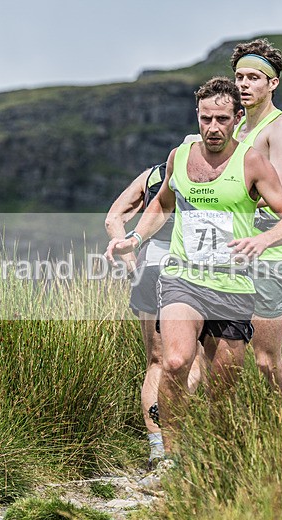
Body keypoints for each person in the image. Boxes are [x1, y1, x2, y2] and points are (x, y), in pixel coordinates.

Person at [105, 76, 282, 454]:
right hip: (184, 279)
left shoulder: (252, 162)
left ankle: (211, 452)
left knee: (222, 386)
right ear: (197, 116)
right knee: (175, 360)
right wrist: (133, 238)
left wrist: (261, 240)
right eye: (205, 119)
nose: (213, 128)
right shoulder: (180, 156)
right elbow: (162, 205)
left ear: (237, 118)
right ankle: (171, 456)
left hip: (231, 287)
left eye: (222, 120)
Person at [104, 155, 203, 469]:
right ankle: (176, 423)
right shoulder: (211, 173)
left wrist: (128, 251)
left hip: (149, 266)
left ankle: (158, 452)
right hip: (190, 268)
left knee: (157, 361)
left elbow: (113, 218)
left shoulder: (151, 175)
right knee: (194, 358)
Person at [231, 39, 282, 405]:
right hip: (230, 248)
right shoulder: (233, 127)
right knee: (219, 355)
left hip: (272, 249)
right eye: (239, 77)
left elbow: (278, 186)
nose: (244, 84)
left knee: (265, 360)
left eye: (254, 77)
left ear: (273, 83)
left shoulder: (281, 127)